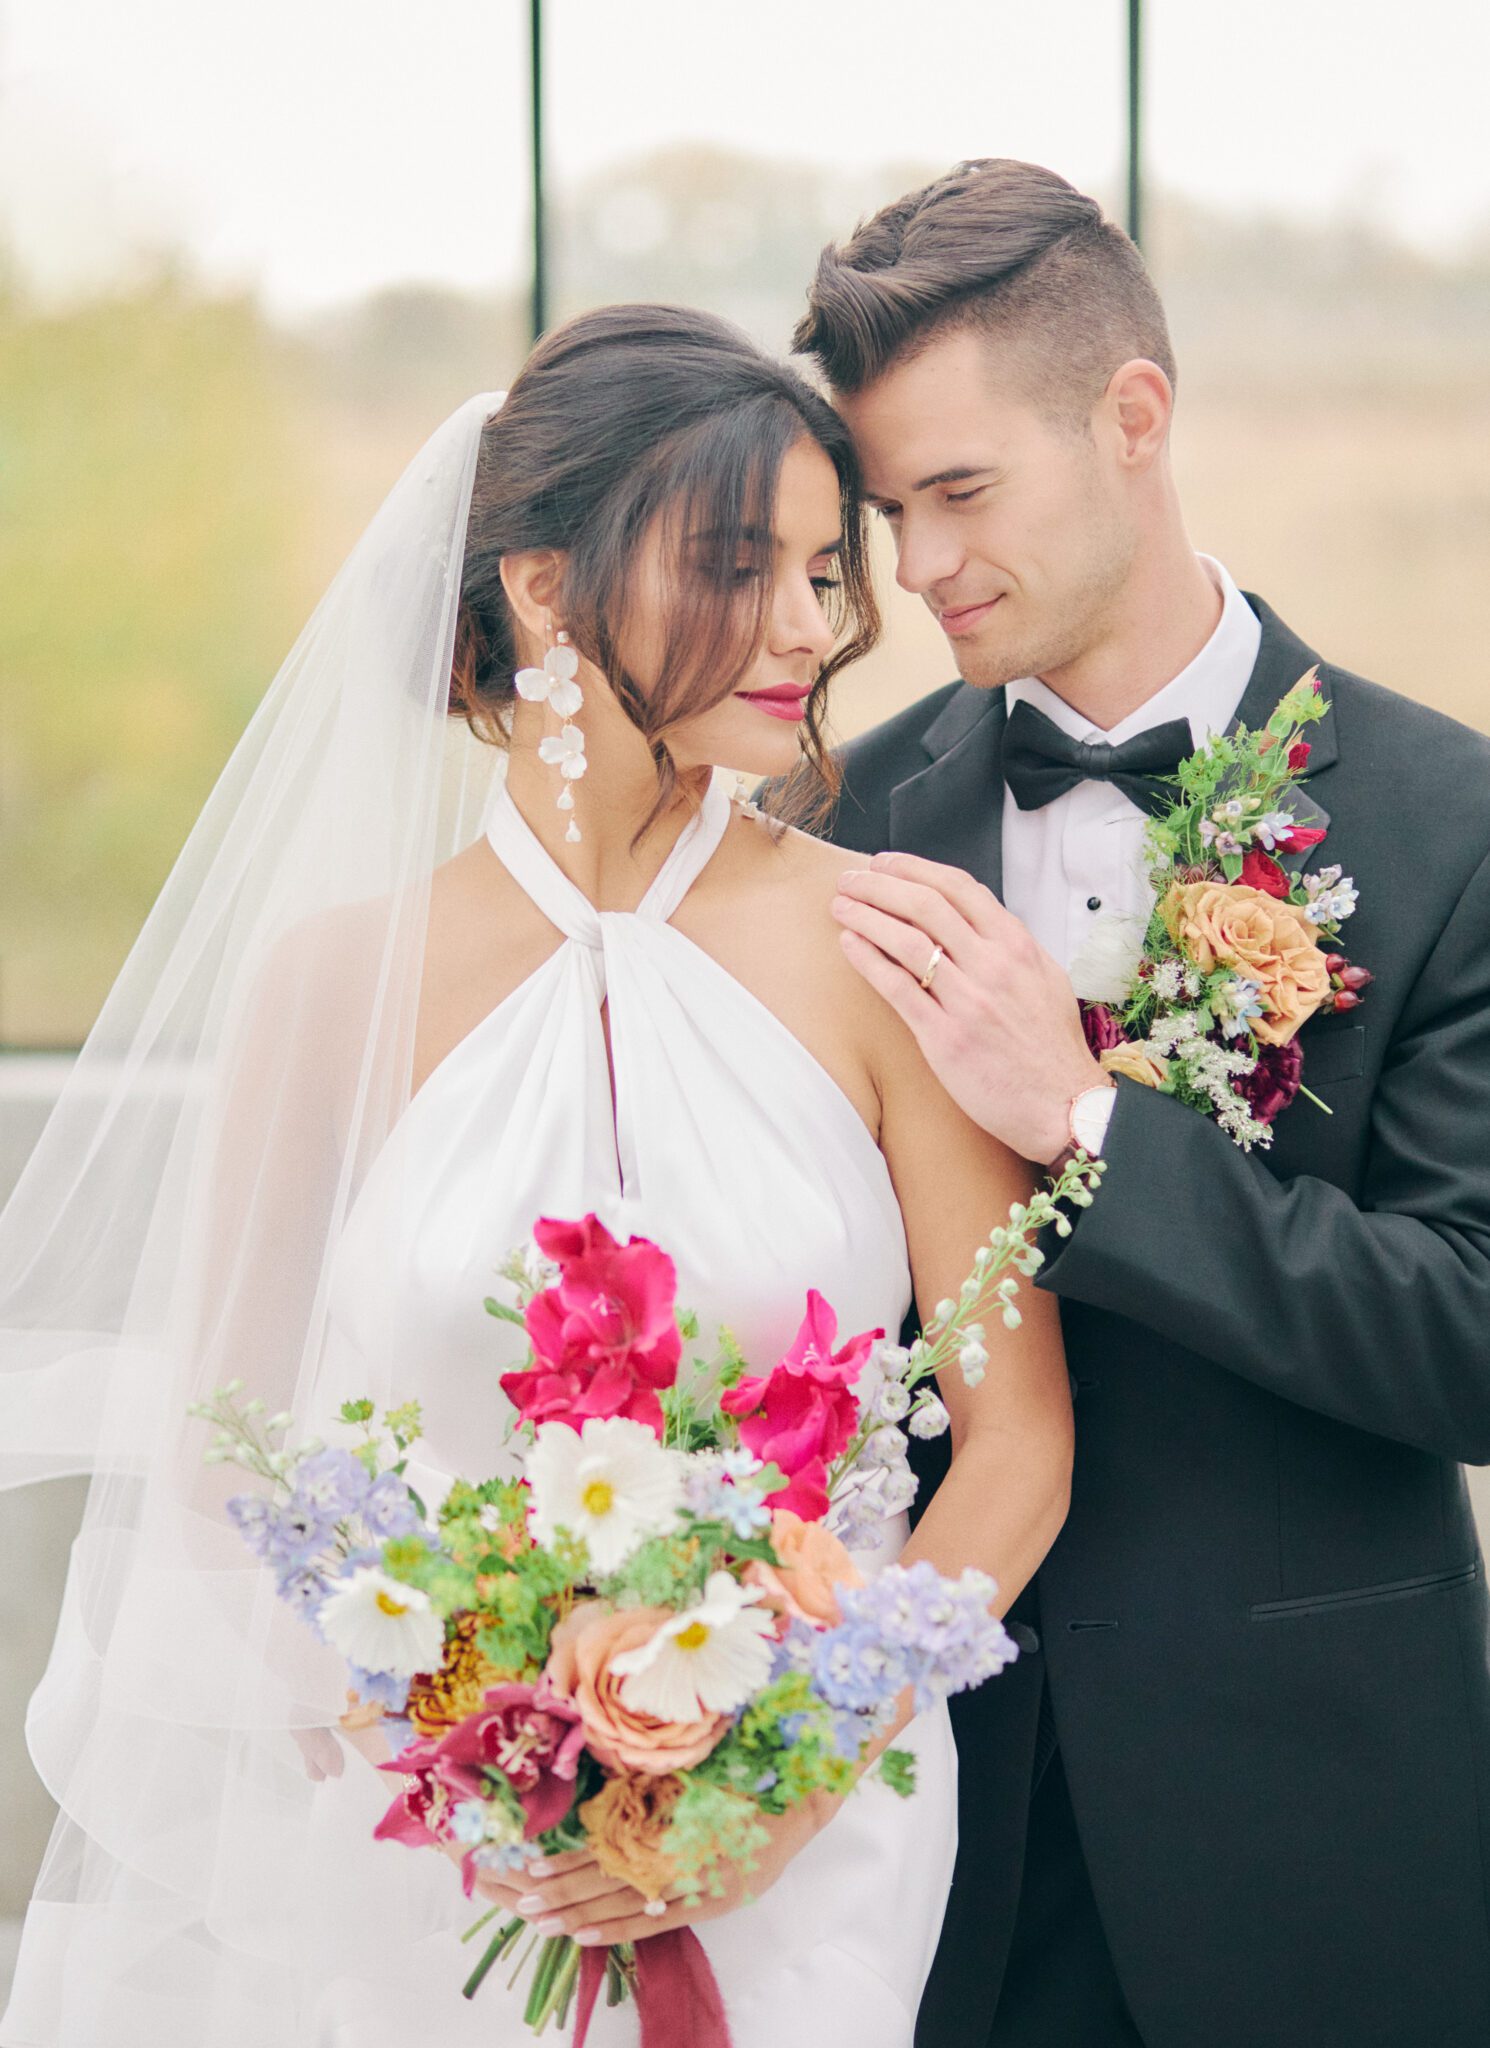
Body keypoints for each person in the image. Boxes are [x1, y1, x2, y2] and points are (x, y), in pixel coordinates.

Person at [0, 304, 1072, 2047]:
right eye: (740, 563)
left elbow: (1014, 1443)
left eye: (823, 570)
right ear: (546, 590)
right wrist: (466, 1767)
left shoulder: (885, 945)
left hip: (813, 1848)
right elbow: (220, 1458)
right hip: (429, 1858)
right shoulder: (332, 985)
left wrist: (779, 1782)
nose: (808, 626)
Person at [789, 156, 1490, 2048]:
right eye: (883, 511)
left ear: (1132, 416)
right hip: (922, 1835)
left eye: (958, 494)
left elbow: (1471, 1339)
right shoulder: (832, 825)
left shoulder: (1448, 826)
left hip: (1316, 1839)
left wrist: (1088, 1128)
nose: (914, 570)